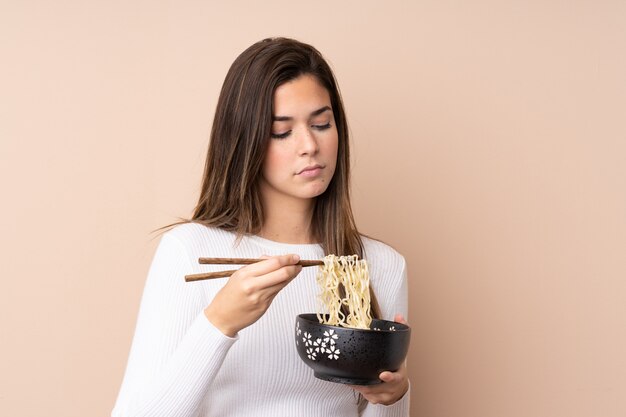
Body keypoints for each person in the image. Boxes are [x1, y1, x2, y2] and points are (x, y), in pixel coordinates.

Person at [112, 37, 409, 417]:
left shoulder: (381, 264)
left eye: (321, 124)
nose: (309, 145)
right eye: (281, 132)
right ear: (245, 141)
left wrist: (394, 395)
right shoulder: (189, 252)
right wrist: (219, 323)